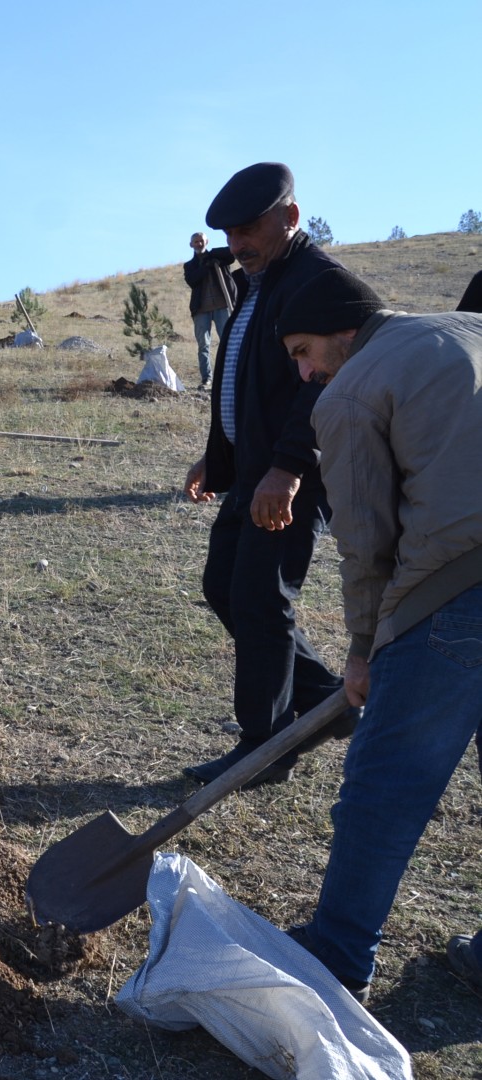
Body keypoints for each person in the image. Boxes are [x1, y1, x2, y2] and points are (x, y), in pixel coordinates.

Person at [270, 266, 482, 1000]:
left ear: (343, 332)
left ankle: (334, 953)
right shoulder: (469, 331)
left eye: (304, 352)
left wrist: (364, 651)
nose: (305, 372)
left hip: (457, 593)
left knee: (385, 784)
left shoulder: (354, 391)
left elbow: (365, 542)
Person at [181, 162, 352, 789]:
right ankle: (329, 699)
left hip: (290, 476)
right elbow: (244, 379)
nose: (237, 244)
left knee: (260, 596)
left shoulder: (321, 281)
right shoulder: (257, 278)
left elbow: (326, 381)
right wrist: (218, 454)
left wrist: (287, 469)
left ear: (291, 217)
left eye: (249, 229)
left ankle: (266, 747)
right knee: (226, 586)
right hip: (253, 469)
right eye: (230, 234)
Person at [183, 231, 237, 388]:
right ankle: (207, 380)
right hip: (201, 310)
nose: (199, 244)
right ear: (191, 245)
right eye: (196, 242)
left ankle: (230, 377)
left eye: (202, 241)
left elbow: (232, 254)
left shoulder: (218, 257)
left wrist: (212, 255)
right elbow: (192, 280)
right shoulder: (190, 265)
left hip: (222, 306)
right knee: (203, 346)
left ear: (207, 242)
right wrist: (206, 265)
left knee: (228, 342)